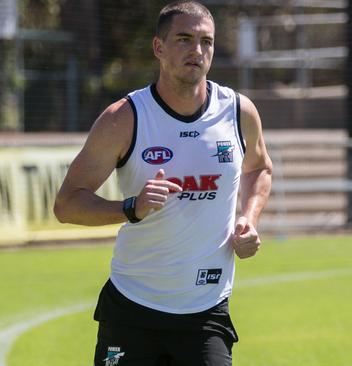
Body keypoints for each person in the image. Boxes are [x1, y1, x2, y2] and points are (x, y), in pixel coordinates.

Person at [54, 2, 272, 365]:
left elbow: (259, 169)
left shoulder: (238, 111)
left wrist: (249, 218)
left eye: (206, 41)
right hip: (132, 309)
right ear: (158, 47)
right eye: (184, 39)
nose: (197, 51)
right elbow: (67, 205)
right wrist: (131, 208)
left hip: (206, 312)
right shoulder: (124, 119)